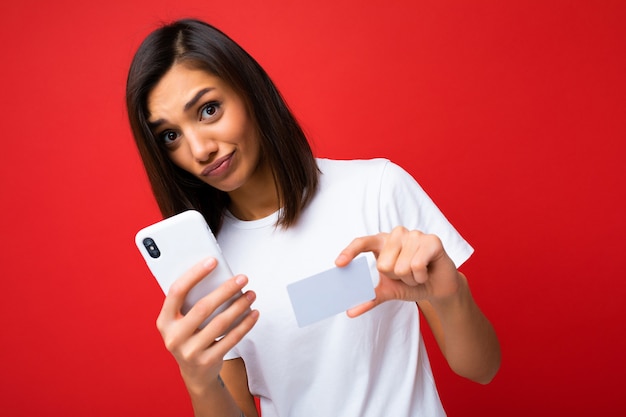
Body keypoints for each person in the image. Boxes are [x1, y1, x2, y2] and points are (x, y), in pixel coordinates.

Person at [126, 18, 500, 417]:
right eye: (170, 135)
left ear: (249, 92)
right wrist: (199, 380)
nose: (199, 149)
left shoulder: (375, 189)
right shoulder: (210, 265)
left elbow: (481, 368)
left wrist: (451, 293)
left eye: (209, 109)